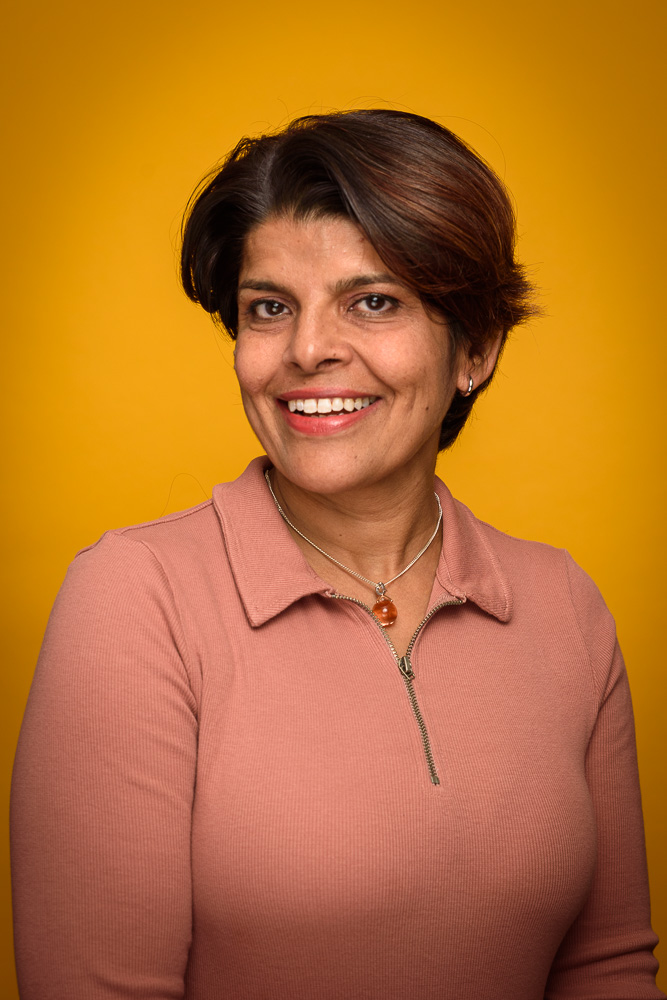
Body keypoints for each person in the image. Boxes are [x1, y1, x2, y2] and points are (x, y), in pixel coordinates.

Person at [10, 109, 664, 999]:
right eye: (269, 308)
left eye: (373, 302)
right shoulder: (134, 598)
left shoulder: (564, 606)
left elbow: (605, 967)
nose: (308, 349)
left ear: (474, 349)